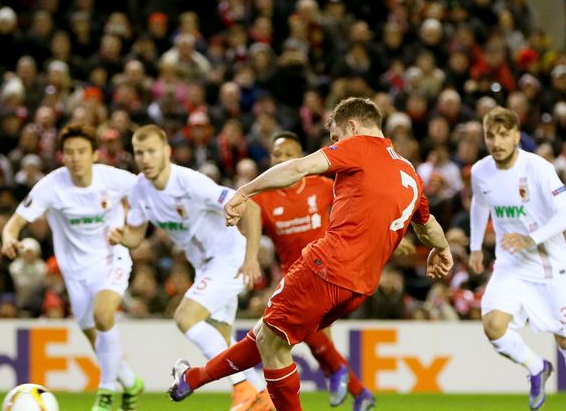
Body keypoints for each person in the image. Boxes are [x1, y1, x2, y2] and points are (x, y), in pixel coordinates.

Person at [168, 97, 453, 410]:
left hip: (325, 266)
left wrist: (244, 191)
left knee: (273, 345)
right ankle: (192, 378)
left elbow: (299, 168)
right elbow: (429, 226)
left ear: (352, 126)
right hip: (358, 286)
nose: (334, 144)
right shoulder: (409, 170)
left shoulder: (358, 146)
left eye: (335, 137)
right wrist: (441, 249)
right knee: (267, 335)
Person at [107, 124, 273, 411]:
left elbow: (252, 207)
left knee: (185, 317)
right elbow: (135, 236)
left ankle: (244, 388)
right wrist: (120, 235)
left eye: (151, 152)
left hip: (229, 258)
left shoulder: (189, 183)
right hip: (204, 266)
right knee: (220, 337)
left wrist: (250, 257)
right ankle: (261, 396)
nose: (145, 158)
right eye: (139, 153)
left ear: (167, 152)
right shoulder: (139, 190)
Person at [1, 123, 144, 411]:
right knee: (94, 333)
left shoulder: (114, 179)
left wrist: (133, 230)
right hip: (75, 272)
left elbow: (151, 190)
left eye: (81, 151)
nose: (75, 158)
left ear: (94, 154)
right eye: (69, 152)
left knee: (104, 316)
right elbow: (15, 222)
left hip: (111, 258)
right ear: (62, 157)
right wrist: (8, 238)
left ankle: (105, 394)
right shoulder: (51, 186)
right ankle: (130, 382)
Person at [469, 107, 566, 411]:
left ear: (516, 136)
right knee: (493, 326)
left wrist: (531, 237)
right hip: (510, 264)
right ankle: (537, 367)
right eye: (490, 136)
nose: (496, 142)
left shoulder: (538, 168)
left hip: (548, 264)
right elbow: (479, 202)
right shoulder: (480, 171)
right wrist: (475, 246)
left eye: (503, 135)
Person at [250, 131, 375, 410]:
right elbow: (252, 235)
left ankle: (348, 381)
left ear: (301, 158)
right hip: (293, 277)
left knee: (301, 333)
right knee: (309, 337)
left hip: (328, 273)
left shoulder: (322, 186)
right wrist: (250, 258)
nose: (280, 159)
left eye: (288, 154)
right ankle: (359, 391)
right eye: (276, 154)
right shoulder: (262, 198)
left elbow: (358, 208)